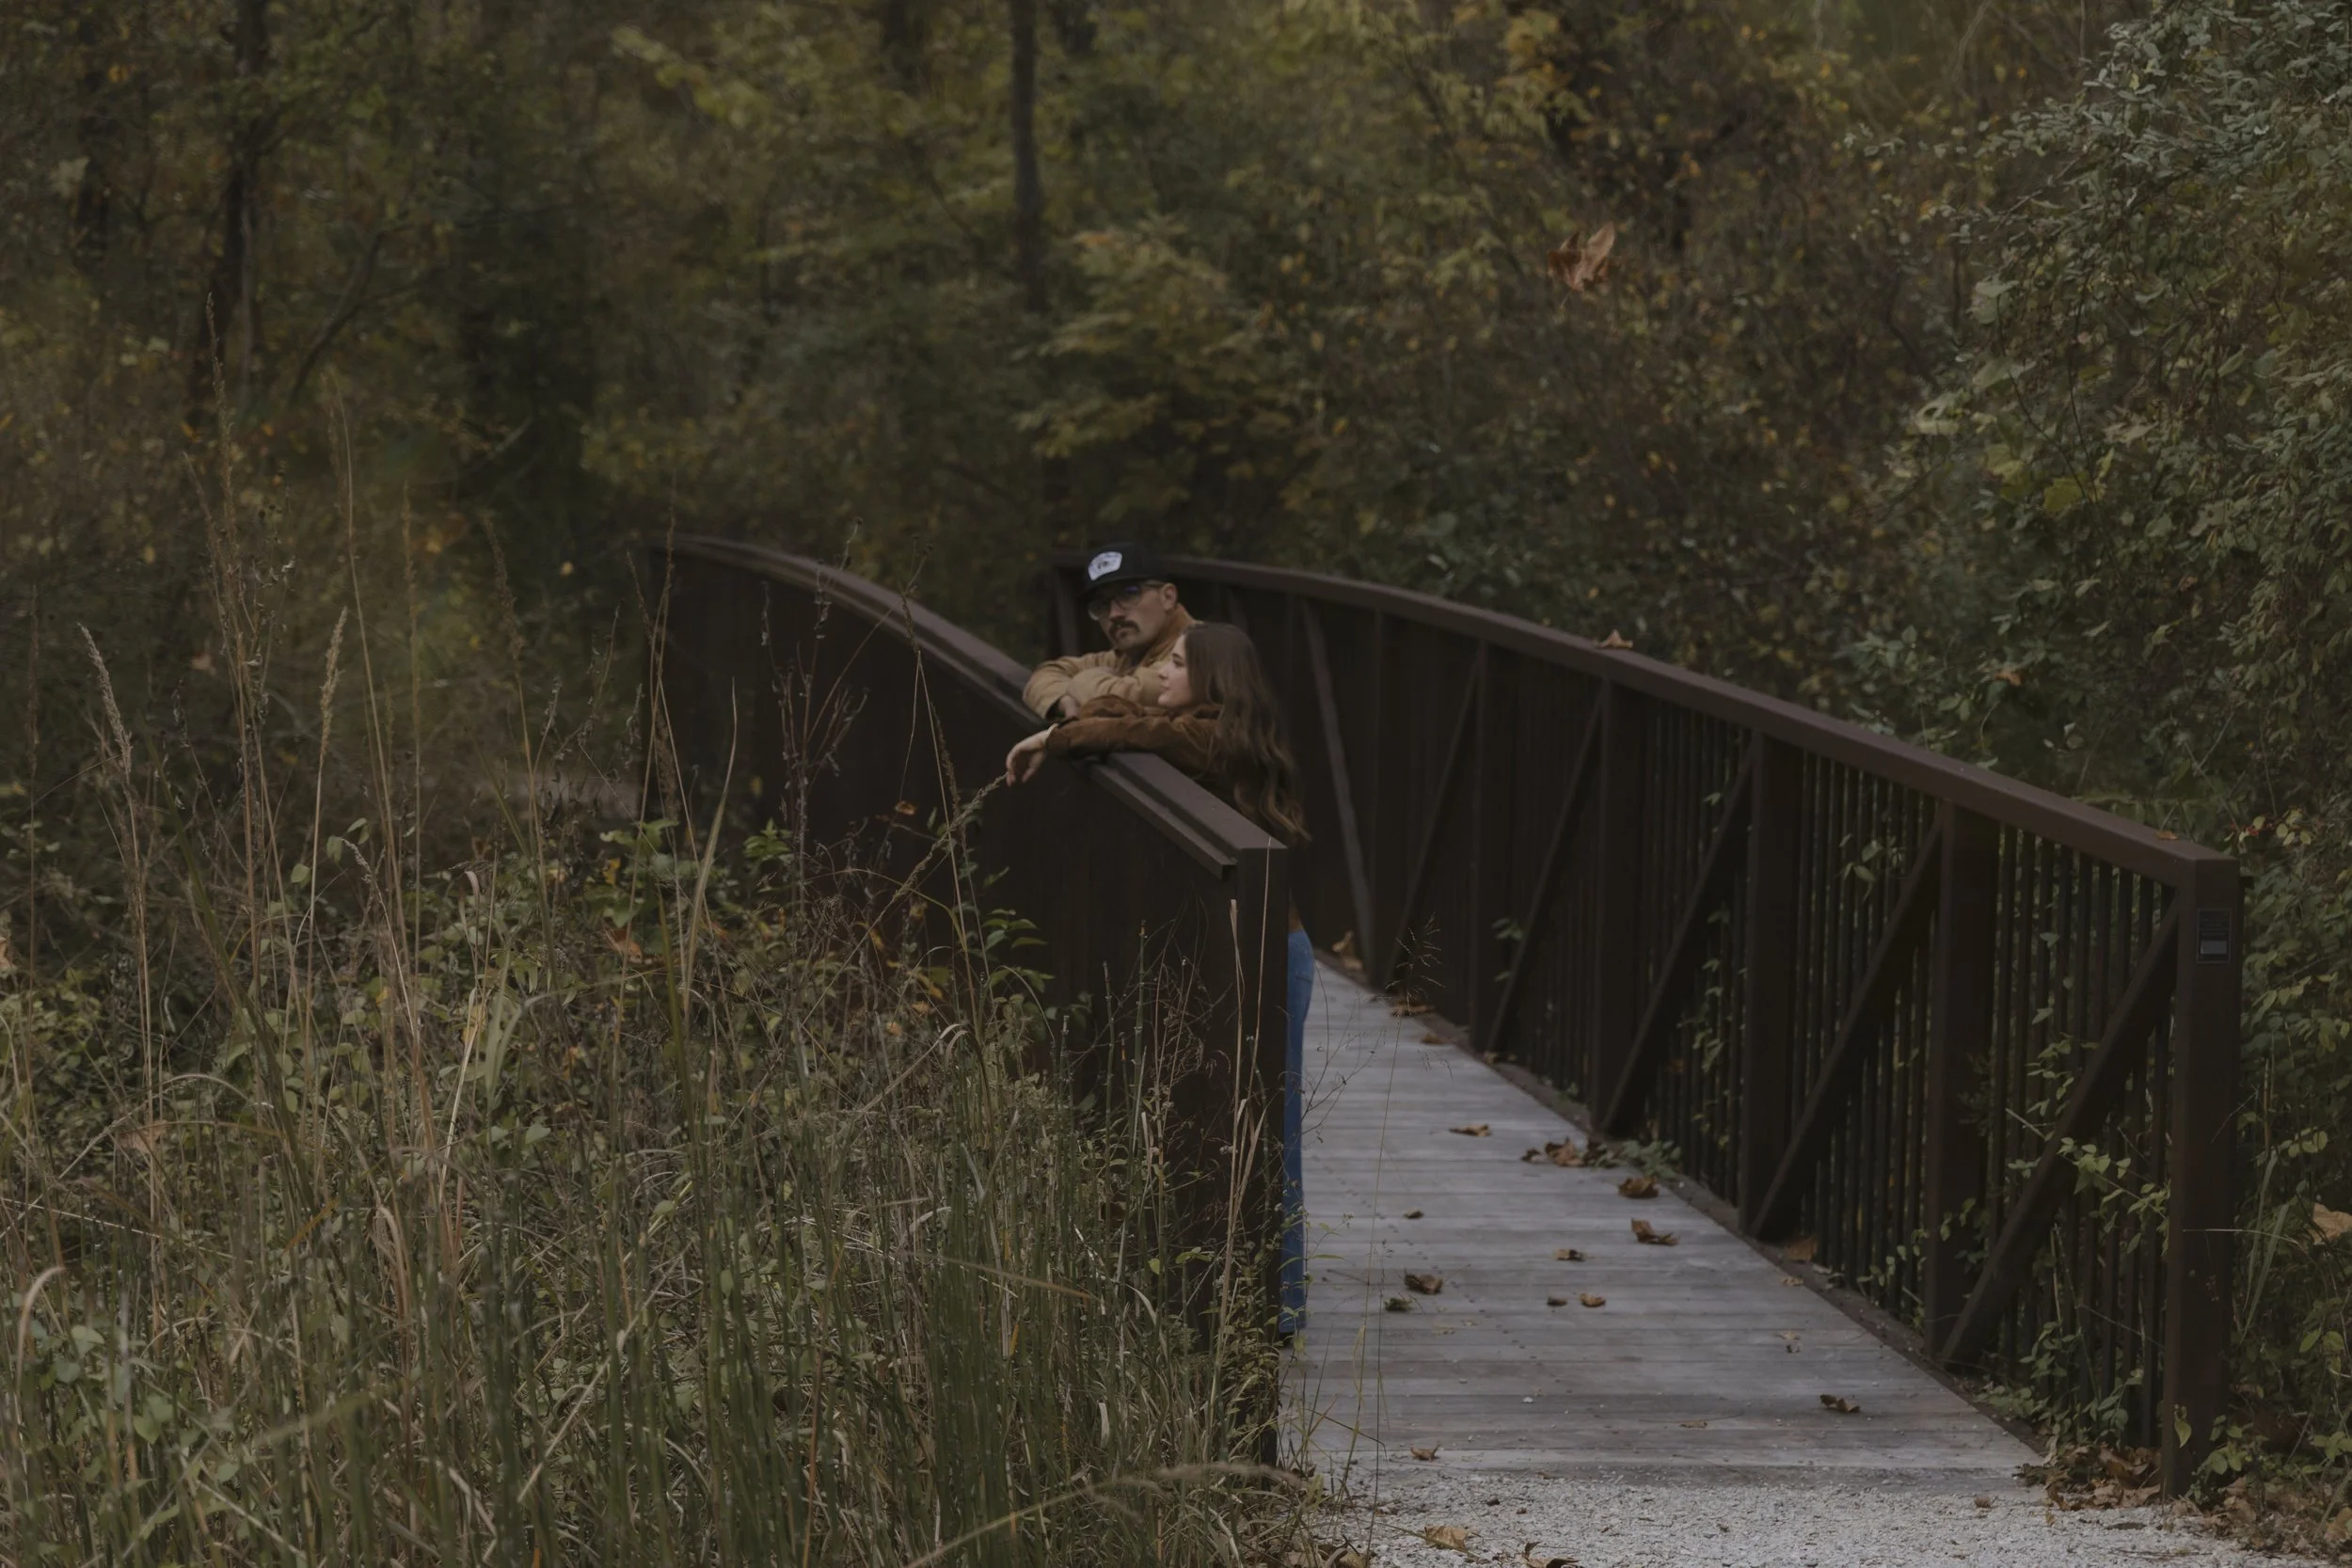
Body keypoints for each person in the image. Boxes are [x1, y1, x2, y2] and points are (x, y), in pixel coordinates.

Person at [1005, 622, 1315, 1336]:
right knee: (1233, 1117)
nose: (1162, 674)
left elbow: (1118, 731)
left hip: (1272, 951)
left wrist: (1047, 738)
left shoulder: (1209, 738)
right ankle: (1255, 1289)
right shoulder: (1191, 728)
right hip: (1248, 944)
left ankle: (1283, 1301)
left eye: (1177, 664)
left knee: (1274, 1124)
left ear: (1213, 681)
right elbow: (1122, 719)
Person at [1023, 542, 1194, 721]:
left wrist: (1082, 681)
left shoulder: (1201, 649)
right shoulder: (1125, 657)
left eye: (1129, 594)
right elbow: (1045, 674)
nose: (1114, 614)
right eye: (1102, 605)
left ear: (1168, 597)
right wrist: (1064, 701)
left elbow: (1138, 695)